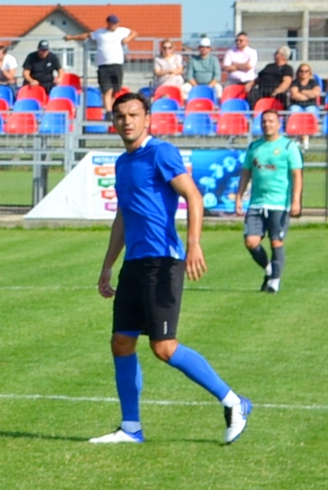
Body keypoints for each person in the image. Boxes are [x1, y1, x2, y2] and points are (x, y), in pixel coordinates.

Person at [92, 92, 251, 446]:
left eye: (134, 114)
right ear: (113, 121)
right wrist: (108, 265)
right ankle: (131, 428)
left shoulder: (161, 152)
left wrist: (194, 243)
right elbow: (123, 215)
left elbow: (193, 196)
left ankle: (234, 402)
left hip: (163, 262)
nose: (127, 121)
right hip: (134, 264)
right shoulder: (122, 162)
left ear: (147, 118)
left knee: (163, 347)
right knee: (121, 342)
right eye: (120, 116)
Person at [235, 109, 304, 293]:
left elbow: (297, 175)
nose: (267, 124)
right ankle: (269, 269)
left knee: (276, 242)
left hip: (279, 204)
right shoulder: (254, 147)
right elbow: (246, 172)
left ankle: (275, 281)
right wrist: (239, 196)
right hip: (257, 203)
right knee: (251, 241)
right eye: (264, 121)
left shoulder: (289, 147)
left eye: (271, 121)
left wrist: (296, 201)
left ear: (278, 123)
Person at [69, 14, 134, 111]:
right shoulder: (100, 32)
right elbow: (87, 35)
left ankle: (112, 110)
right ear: (108, 23)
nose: (115, 25)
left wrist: (128, 38)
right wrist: (72, 37)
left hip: (117, 65)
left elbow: (134, 32)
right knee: (106, 90)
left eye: (116, 23)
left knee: (115, 91)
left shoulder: (122, 31)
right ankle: (108, 112)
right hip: (104, 66)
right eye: (113, 23)